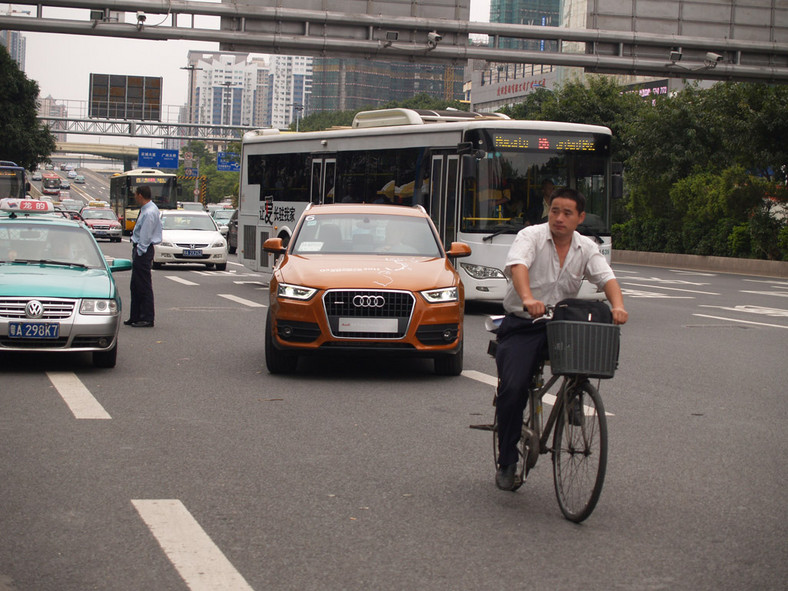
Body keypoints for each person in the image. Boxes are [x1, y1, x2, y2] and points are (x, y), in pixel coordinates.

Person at [494, 187, 628, 491]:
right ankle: (507, 460)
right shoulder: (531, 236)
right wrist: (528, 298)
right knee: (514, 388)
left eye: (567, 213)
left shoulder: (586, 247)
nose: (559, 218)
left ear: (580, 218)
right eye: (555, 210)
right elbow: (519, 266)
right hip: (524, 323)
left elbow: (607, 278)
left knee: (586, 350)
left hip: (559, 324)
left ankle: (574, 394)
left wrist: (618, 306)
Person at [125, 186, 162, 328]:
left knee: (143, 285)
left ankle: (147, 317)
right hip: (141, 250)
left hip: (143, 251)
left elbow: (145, 236)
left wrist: (140, 252)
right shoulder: (147, 209)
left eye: (135, 195)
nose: (135, 197)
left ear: (140, 195)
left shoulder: (150, 212)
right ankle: (135, 316)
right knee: (135, 285)